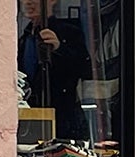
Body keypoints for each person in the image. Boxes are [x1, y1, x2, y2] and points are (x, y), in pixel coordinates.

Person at [18, 0, 93, 142]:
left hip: (63, 120)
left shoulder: (68, 32)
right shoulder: (24, 39)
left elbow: (85, 70)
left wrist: (59, 49)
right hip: (32, 119)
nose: (28, 3)